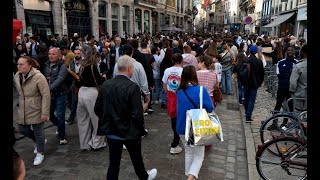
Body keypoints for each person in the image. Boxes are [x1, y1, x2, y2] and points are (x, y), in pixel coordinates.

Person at [94, 55, 157, 180]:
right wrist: (145, 106)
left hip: (112, 131)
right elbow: (137, 114)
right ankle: (144, 177)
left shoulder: (106, 85)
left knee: (114, 163)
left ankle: (143, 176)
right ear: (129, 69)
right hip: (129, 131)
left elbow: (98, 108)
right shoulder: (132, 87)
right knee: (136, 158)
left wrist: (109, 118)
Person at [176, 65, 214, 180]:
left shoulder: (179, 91)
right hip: (196, 127)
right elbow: (210, 108)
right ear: (194, 75)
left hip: (181, 126)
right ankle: (190, 178)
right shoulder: (201, 90)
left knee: (188, 153)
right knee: (198, 155)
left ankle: (189, 176)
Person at [14, 56, 50, 165]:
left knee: (38, 131)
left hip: (36, 107)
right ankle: (40, 142)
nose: (18, 66)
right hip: (23, 107)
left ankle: (40, 153)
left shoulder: (39, 77)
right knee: (21, 129)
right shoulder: (17, 76)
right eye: (18, 64)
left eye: (21, 64)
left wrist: (45, 112)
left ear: (29, 65)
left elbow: (46, 95)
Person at [76, 46, 106, 150]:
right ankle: (97, 143)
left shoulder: (82, 66)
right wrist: (103, 78)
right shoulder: (92, 66)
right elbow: (98, 81)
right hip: (91, 93)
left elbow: (79, 81)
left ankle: (84, 144)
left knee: (83, 120)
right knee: (97, 119)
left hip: (81, 93)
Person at [43, 47, 69, 145]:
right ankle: (60, 125)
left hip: (60, 94)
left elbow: (60, 79)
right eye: (49, 53)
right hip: (50, 95)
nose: (50, 56)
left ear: (58, 55)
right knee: (49, 114)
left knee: (60, 115)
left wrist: (48, 89)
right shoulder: (46, 65)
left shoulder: (62, 66)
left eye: (53, 54)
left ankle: (62, 136)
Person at [162, 53, 184, 154]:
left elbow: (164, 85)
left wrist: (168, 94)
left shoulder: (167, 70)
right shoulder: (183, 71)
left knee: (173, 119)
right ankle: (176, 142)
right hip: (181, 96)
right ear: (181, 61)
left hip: (171, 96)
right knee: (181, 119)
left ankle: (176, 140)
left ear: (172, 60)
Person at [243, 46, 265, 122]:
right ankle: (248, 116)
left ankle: (246, 112)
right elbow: (262, 73)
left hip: (246, 82)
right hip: (255, 83)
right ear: (256, 52)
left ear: (249, 51)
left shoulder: (246, 59)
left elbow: (242, 71)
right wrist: (260, 82)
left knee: (246, 99)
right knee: (251, 100)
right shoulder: (259, 61)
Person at [289, 44, 307, 111]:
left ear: (302, 52)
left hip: (300, 95)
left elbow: (293, 83)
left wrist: (292, 92)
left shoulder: (298, 66)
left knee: (298, 116)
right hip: (301, 95)